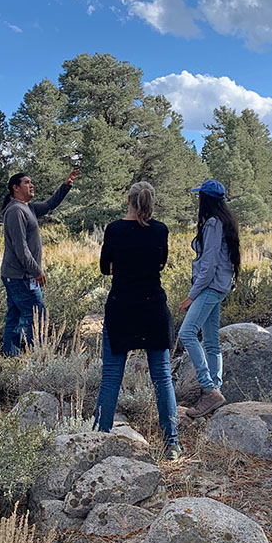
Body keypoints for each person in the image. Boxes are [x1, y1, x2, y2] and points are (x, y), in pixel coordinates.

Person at [92, 182, 181, 461]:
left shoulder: (115, 230)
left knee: (111, 377)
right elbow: (160, 264)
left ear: (128, 201)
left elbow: (104, 268)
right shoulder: (160, 230)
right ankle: (172, 444)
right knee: (162, 377)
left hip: (122, 307)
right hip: (152, 306)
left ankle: (99, 437)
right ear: (151, 202)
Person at [0, 168, 81, 356]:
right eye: (27, 182)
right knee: (37, 318)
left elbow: (50, 204)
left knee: (15, 317)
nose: (31, 185)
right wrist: (36, 270)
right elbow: (20, 247)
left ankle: (10, 357)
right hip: (21, 276)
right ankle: (38, 358)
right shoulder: (15, 211)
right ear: (15, 188)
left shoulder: (28, 208)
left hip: (18, 275)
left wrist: (66, 185)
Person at [178, 179, 240, 419]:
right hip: (218, 287)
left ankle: (208, 388)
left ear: (206, 200)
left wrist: (191, 296)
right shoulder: (225, 222)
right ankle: (215, 390)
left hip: (210, 287)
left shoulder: (213, 224)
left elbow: (210, 264)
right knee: (211, 341)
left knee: (187, 333)